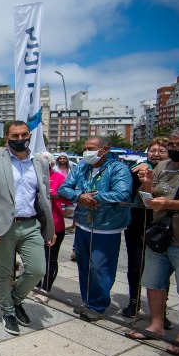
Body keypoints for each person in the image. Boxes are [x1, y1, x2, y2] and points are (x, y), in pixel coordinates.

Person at [0, 122, 55, 335]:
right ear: (7, 137)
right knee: (3, 273)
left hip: (31, 223)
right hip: (3, 225)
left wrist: (49, 227)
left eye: (24, 134)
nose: (20, 138)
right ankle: (8, 312)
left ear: (29, 136)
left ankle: (14, 300)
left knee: (37, 270)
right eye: (15, 135)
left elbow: (44, 196)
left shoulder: (40, 162)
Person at [125, 127, 179, 356]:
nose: (175, 149)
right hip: (159, 235)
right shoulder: (162, 167)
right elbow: (149, 194)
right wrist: (147, 183)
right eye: (173, 144)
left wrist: (168, 205)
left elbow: (166, 201)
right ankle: (155, 324)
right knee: (154, 281)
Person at [58, 136, 132, 321]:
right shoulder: (82, 167)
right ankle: (88, 301)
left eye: (90, 148)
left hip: (106, 227)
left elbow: (122, 193)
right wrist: (80, 196)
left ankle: (97, 306)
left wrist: (95, 197)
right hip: (83, 224)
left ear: (104, 150)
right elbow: (64, 189)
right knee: (84, 266)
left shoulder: (118, 168)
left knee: (100, 268)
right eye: (84, 148)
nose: (86, 152)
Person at [121, 138, 169, 319]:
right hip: (138, 223)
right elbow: (138, 195)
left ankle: (160, 311)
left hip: (162, 225)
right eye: (152, 150)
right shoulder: (136, 169)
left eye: (161, 151)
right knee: (135, 264)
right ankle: (134, 302)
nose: (156, 154)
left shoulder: (173, 172)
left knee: (163, 268)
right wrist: (142, 178)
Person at [34, 152, 71, 303]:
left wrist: (54, 194)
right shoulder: (33, 175)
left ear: (51, 164)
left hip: (54, 224)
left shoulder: (59, 178)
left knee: (50, 258)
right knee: (36, 257)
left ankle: (45, 289)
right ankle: (35, 285)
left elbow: (69, 199)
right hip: (35, 224)